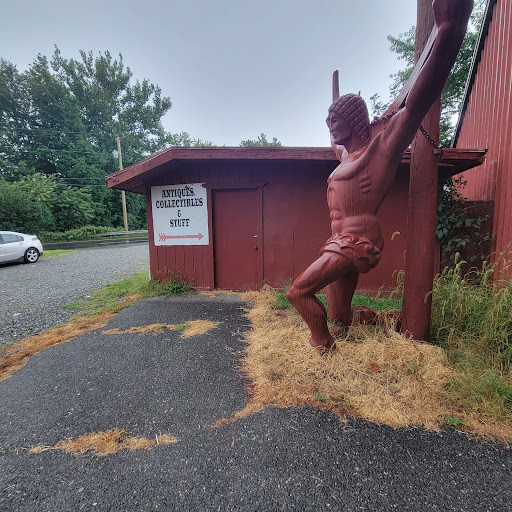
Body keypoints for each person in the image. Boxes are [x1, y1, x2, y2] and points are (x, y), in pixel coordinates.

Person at [286, 0, 473, 350]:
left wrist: (450, 31)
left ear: (353, 121)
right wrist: (334, 100)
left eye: (335, 120)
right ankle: (385, 319)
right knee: (341, 315)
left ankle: (322, 344)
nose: (330, 127)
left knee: (297, 292)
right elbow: (334, 141)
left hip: (357, 243)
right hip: (337, 242)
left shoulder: (380, 150)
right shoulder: (345, 157)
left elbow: (417, 102)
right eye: (327, 122)